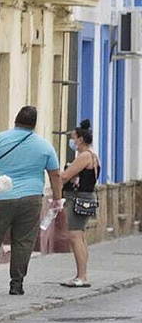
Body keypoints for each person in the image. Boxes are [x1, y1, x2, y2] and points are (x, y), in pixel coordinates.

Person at [0, 106, 63, 295]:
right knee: (23, 241)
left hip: (1, 197)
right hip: (31, 198)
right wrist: (57, 198)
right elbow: (55, 175)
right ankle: (17, 283)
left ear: (16, 119)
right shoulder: (44, 145)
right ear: (34, 124)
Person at [59, 120, 100, 288]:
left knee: (75, 236)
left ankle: (82, 276)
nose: (72, 141)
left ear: (81, 139)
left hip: (79, 199)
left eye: (73, 138)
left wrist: (56, 174)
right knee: (80, 236)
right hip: (84, 198)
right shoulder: (91, 155)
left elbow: (65, 176)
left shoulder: (85, 156)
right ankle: (81, 275)